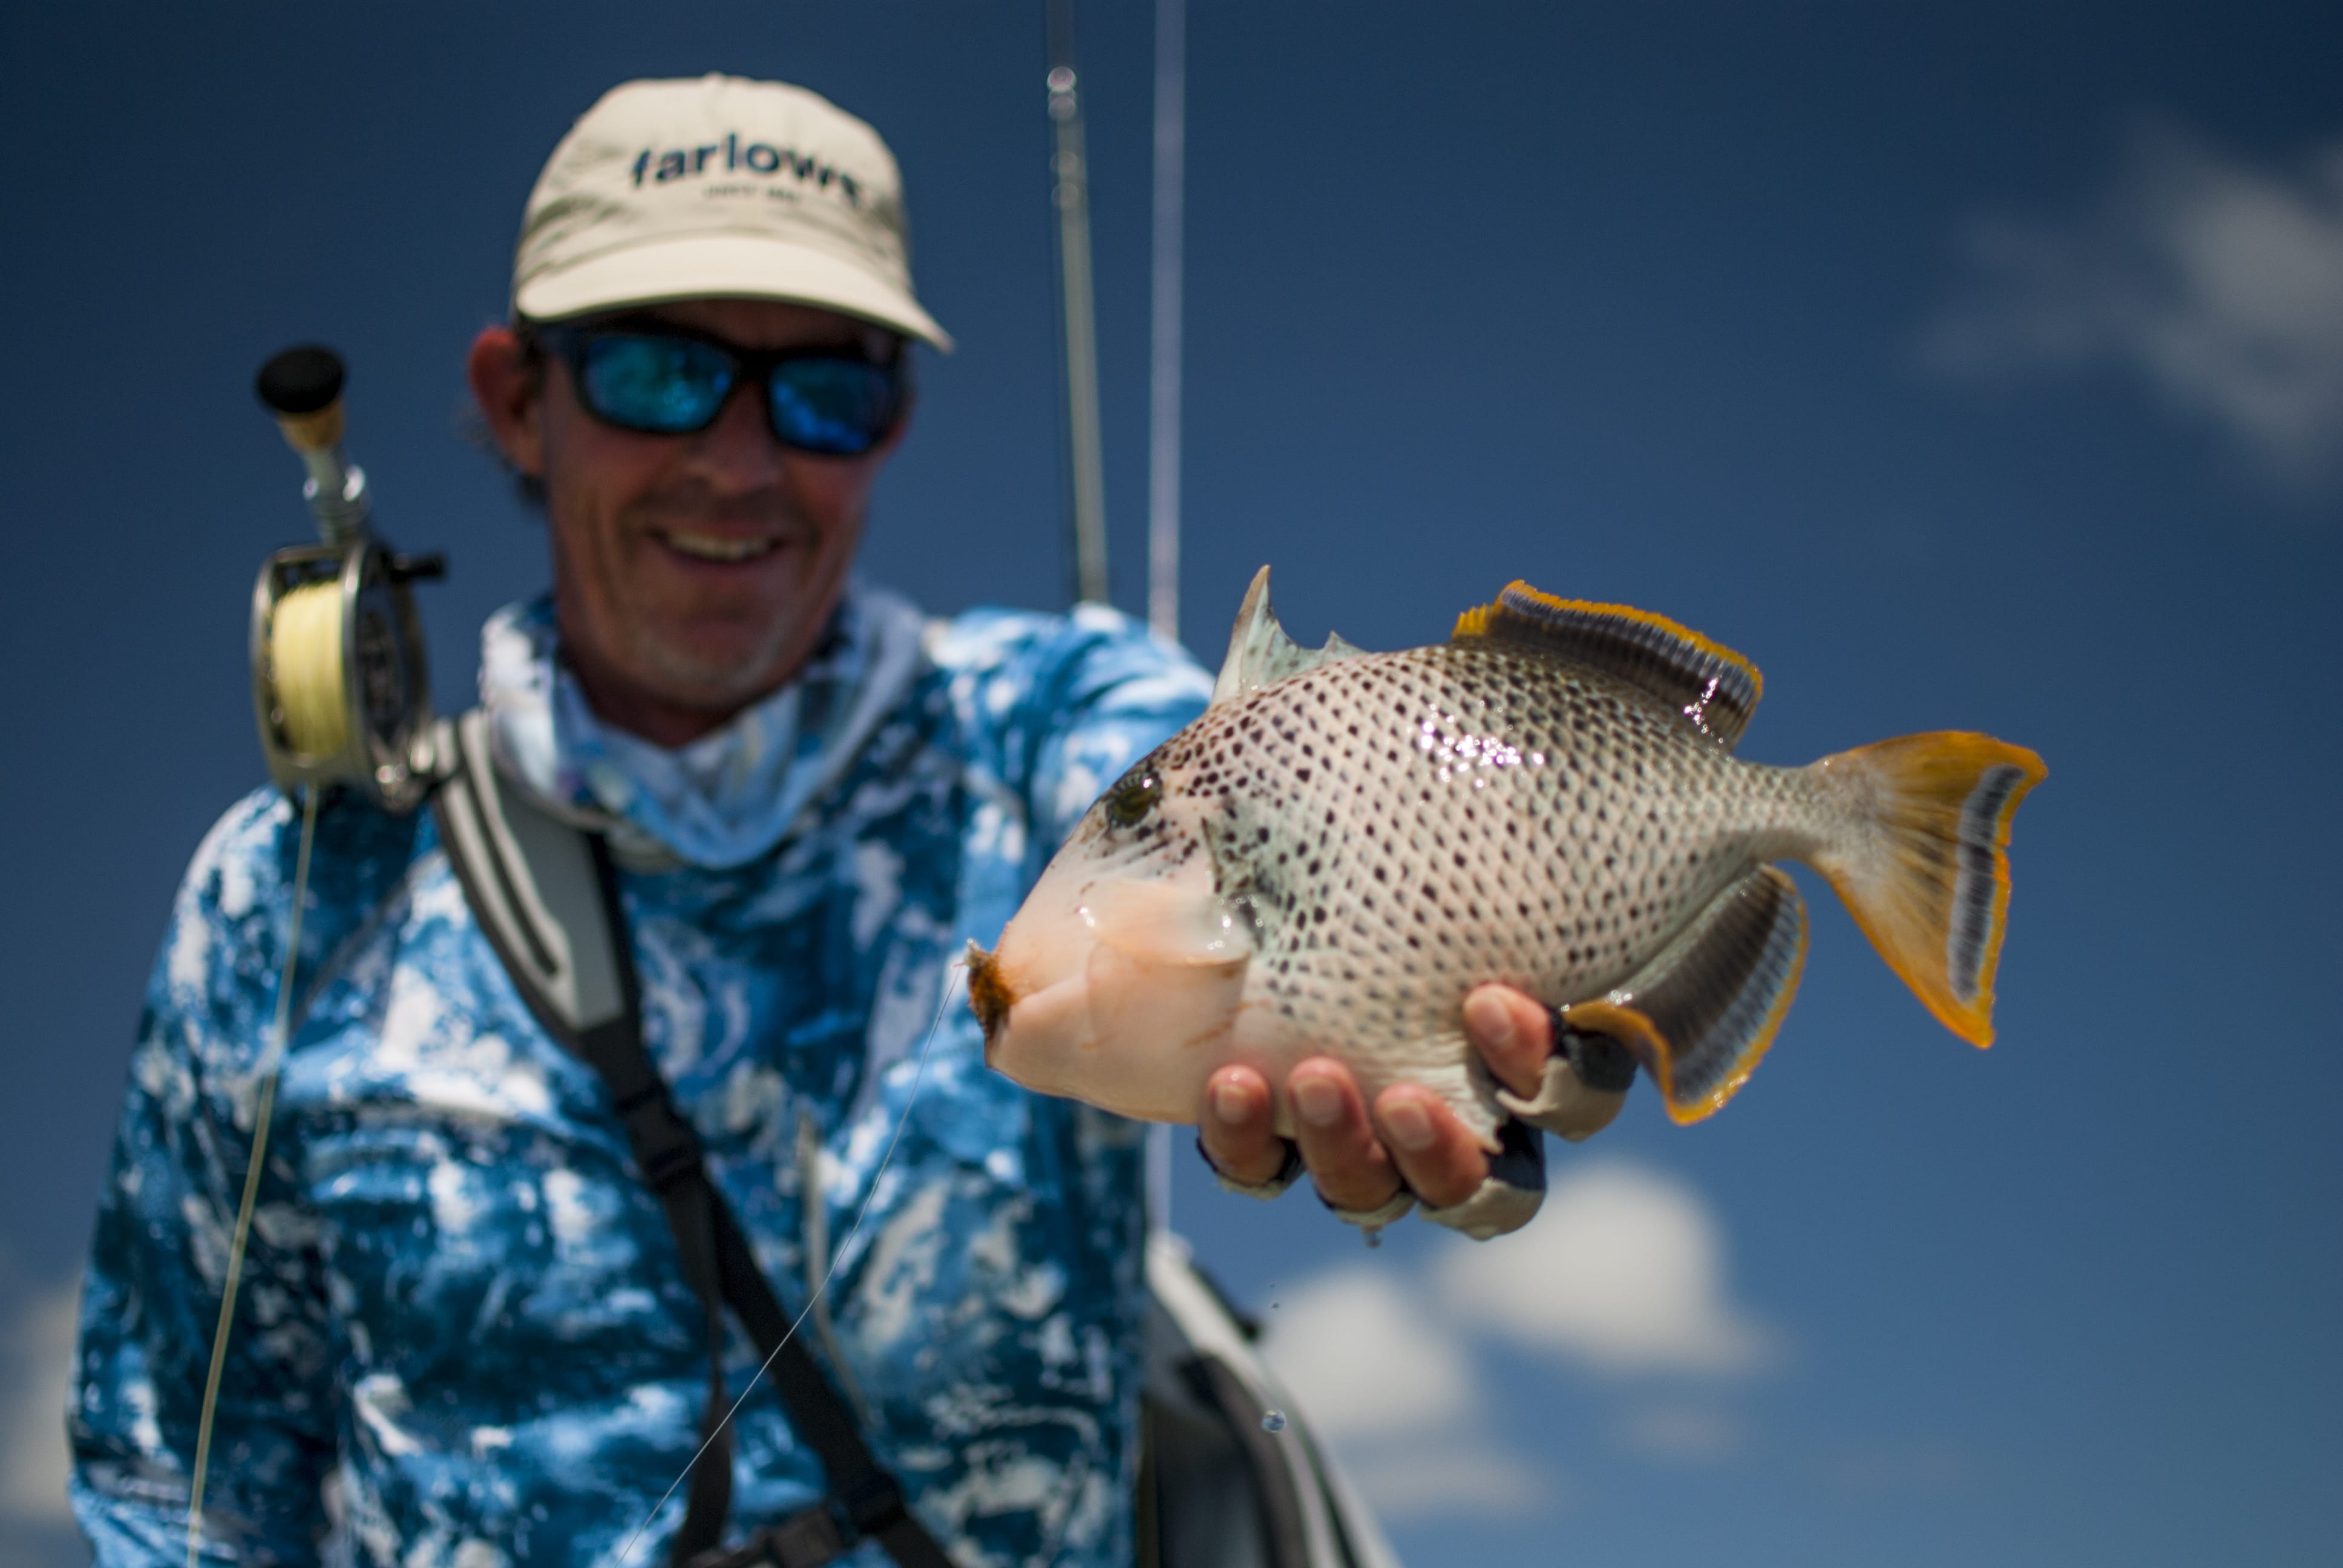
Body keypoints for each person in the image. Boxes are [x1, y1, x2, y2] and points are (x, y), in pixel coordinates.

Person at [68, 74, 1584, 1567]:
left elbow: (1282, 808)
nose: (738, 460)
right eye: (660, 374)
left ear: (895, 419)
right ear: (515, 400)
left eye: (825, 392)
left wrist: (1476, 1017)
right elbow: (176, 1495)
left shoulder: (1046, 723)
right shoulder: (291, 897)